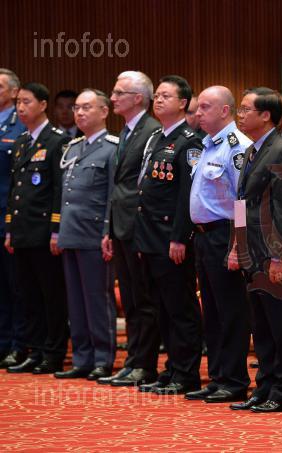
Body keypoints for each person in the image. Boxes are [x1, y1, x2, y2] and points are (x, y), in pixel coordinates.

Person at [230, 87, 282, 413]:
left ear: (265, 115)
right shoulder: (252, 149)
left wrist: (279, 256)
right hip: (252, 250)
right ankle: (265, 386)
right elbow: (240, 202)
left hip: (274, 255)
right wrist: (237, 244)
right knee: (260, 325)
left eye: (246, 109)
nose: (240, 114)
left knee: (281, 325)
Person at [131, 75, 203, 395]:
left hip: (170, 238)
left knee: (180, 308)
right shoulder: (157, 137)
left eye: (166, 96)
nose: (158, 100)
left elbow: (187, 195)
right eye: (157, 95)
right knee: (160, 307)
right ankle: (172, 367)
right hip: (149, 235)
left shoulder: (189, 142)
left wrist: (179, 237)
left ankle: (186, 374)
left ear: (183, 103)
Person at [185, 86, 252, 403]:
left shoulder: (237, 146)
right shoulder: (207, 144)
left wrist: (239, 245)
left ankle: (235, 379)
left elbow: (242, 201)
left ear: (225, 111)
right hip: (203, 235)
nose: (198, 113)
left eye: (205, 107)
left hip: (225, 234)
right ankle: (217, 376)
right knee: (210, 311)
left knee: (230, 310)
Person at [5, 82, 70, 374]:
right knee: (27, 294)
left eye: (27, 102)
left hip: (44, 232)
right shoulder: (22, 142)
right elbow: (15, 190)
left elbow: (58, 189)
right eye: (18, 102)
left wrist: (56, 229)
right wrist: (10, 229)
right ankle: (33, 349)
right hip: (22, 231)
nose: (21, 107)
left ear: (43, 105)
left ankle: (53, 352)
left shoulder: (56, 141)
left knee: (50, 295)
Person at [103, 71, 162, 387]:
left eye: (118, 93)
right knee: (130, 298)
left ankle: (145, 364)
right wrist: (109, 228)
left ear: (138, 98)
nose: (112, 98)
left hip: (139, 226)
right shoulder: (126, 131)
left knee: (144, 298)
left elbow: (145, 187)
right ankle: (133, 361)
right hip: (121, 225)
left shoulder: (151, 131)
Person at [54, 89, 117, 381]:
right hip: (71, 232)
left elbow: (112, 196)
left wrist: (107, 231)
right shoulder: (73, 147)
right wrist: (58, 231)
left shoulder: (112, 147)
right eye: (77, 108)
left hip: (94, 235)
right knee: (75, 301)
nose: (79, 113)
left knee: (96, 299)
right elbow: (65, 196)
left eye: (86, 107)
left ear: (104, 112)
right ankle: (82, 357)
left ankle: (102, 358)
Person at [0, 68, 27, 369]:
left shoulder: (20, 126)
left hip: (10, 216)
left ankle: (18, 344)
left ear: (14, 92)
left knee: (16, 285)